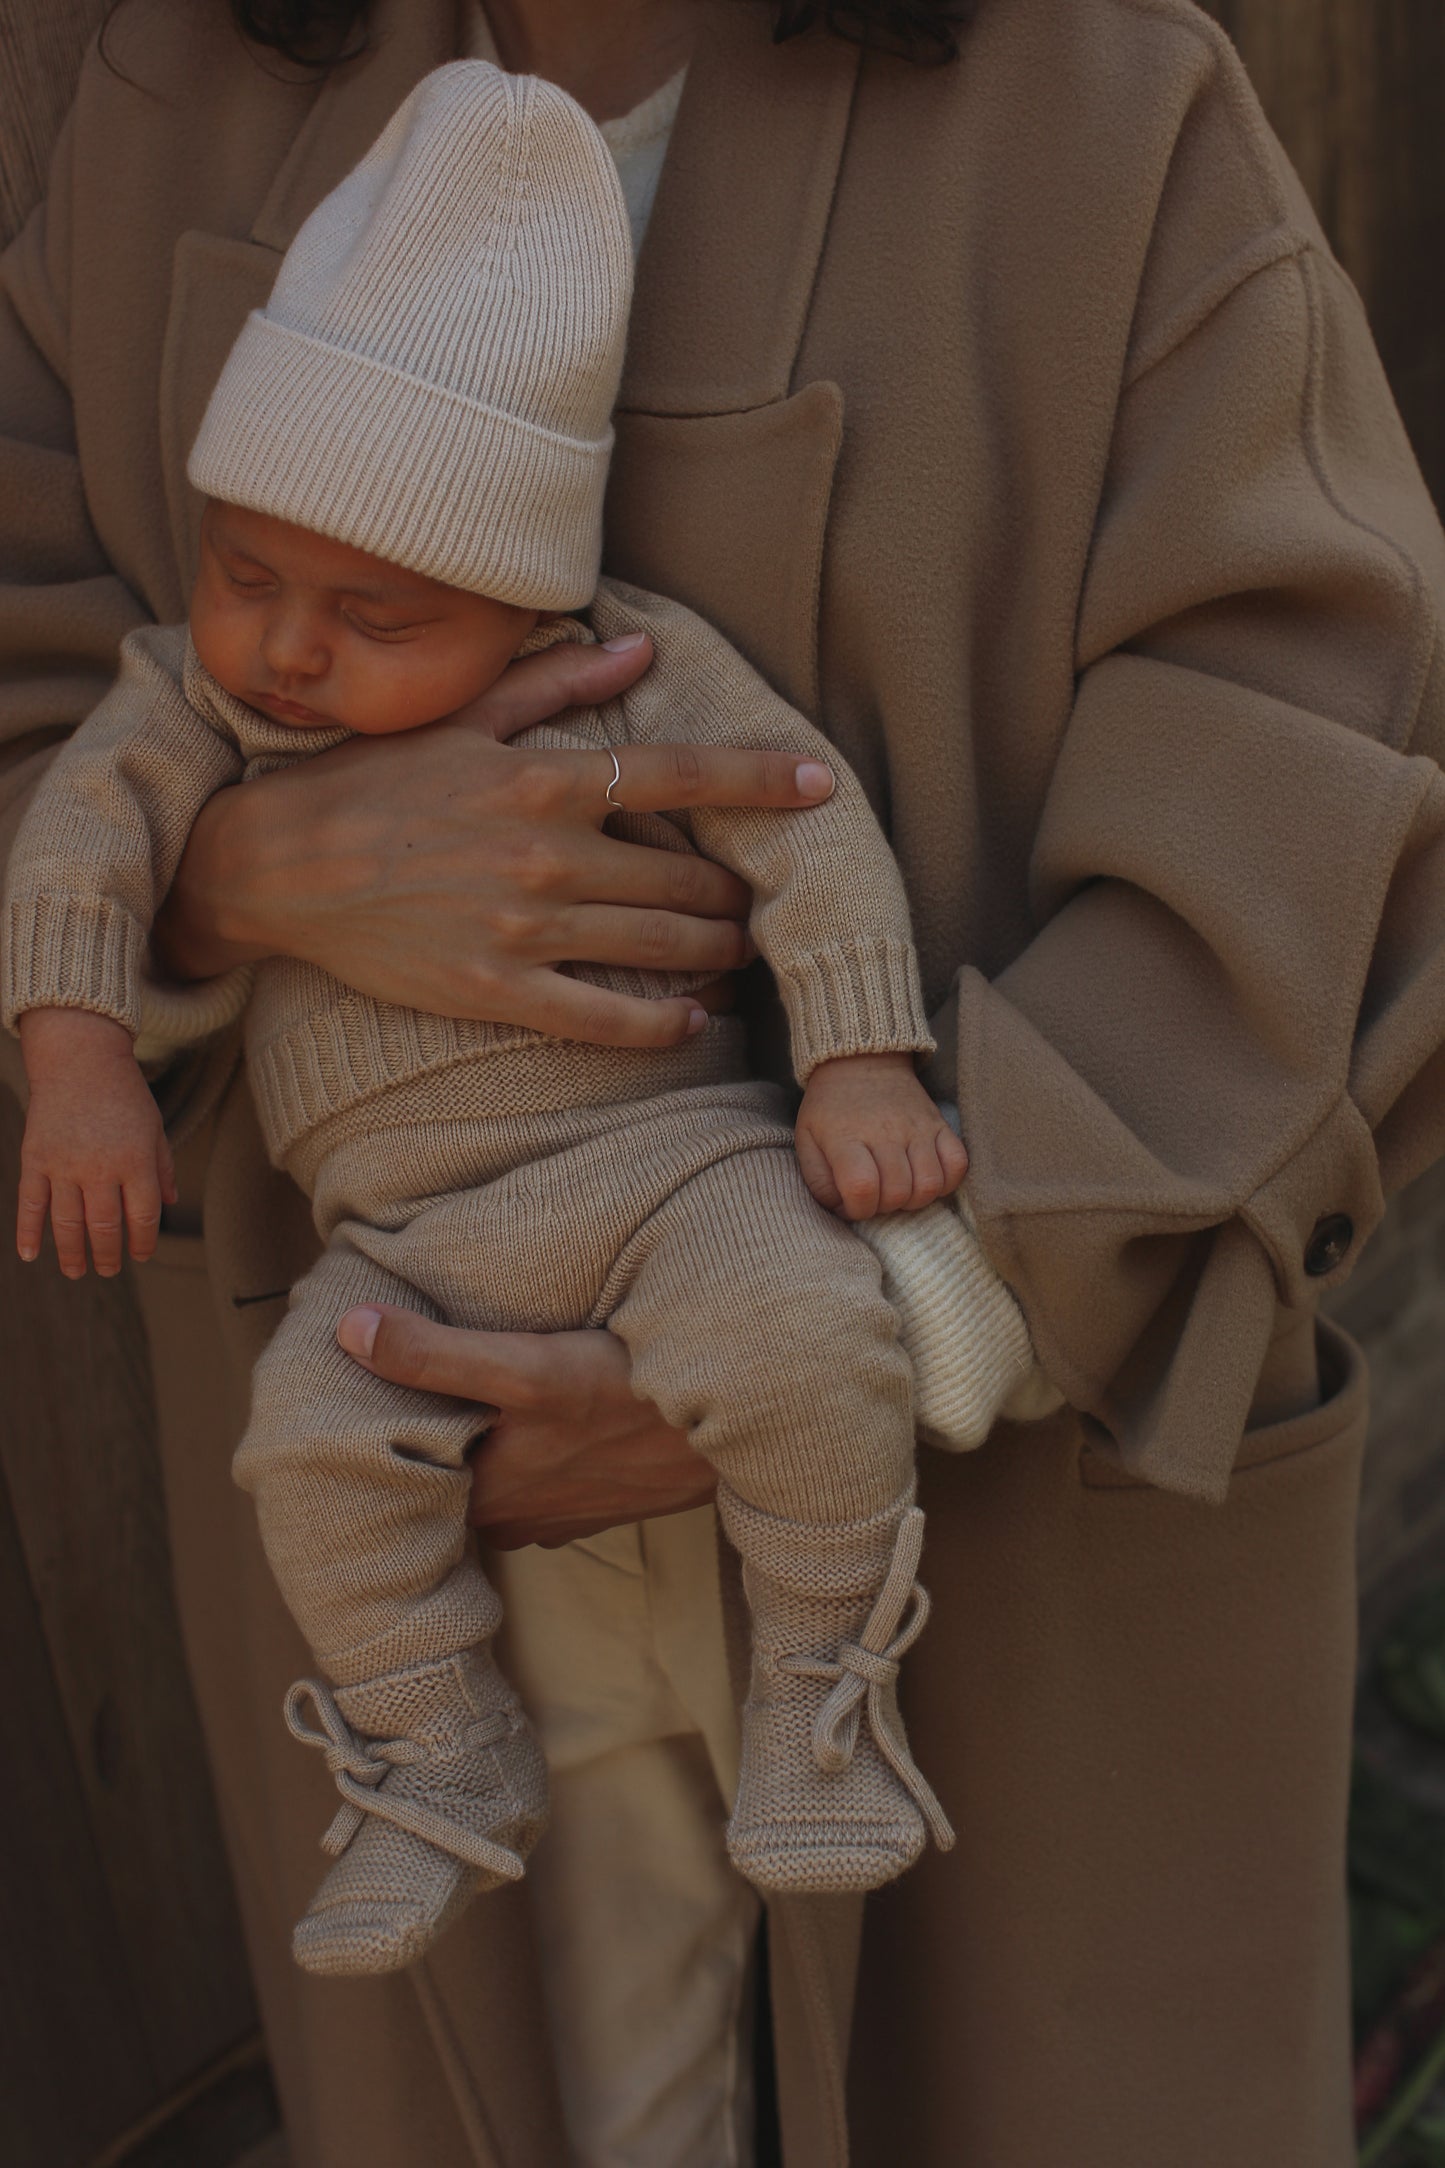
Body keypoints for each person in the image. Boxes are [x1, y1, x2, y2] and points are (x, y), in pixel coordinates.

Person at [2, 0, 1444, 2162]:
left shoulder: (1107, 112)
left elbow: (1314, 792)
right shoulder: (159, 85)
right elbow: (39, 674)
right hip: (426, 1464)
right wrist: (228, 876)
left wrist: (892, 1313)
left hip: (988, 1501)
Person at [6, 57, 979, 1978]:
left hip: (661, 1170)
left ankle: (818, 1686)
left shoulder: (621, 670)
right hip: (401, 1243)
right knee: (309, 1446)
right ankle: (429, 1755)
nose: (288, 644)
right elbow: (74, 853)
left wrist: (860, 1055)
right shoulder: (189, 716)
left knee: (802, 1332)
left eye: (375, 615)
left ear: (516, 592)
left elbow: (804, 826)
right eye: (248, 572)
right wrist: (77, 1053)